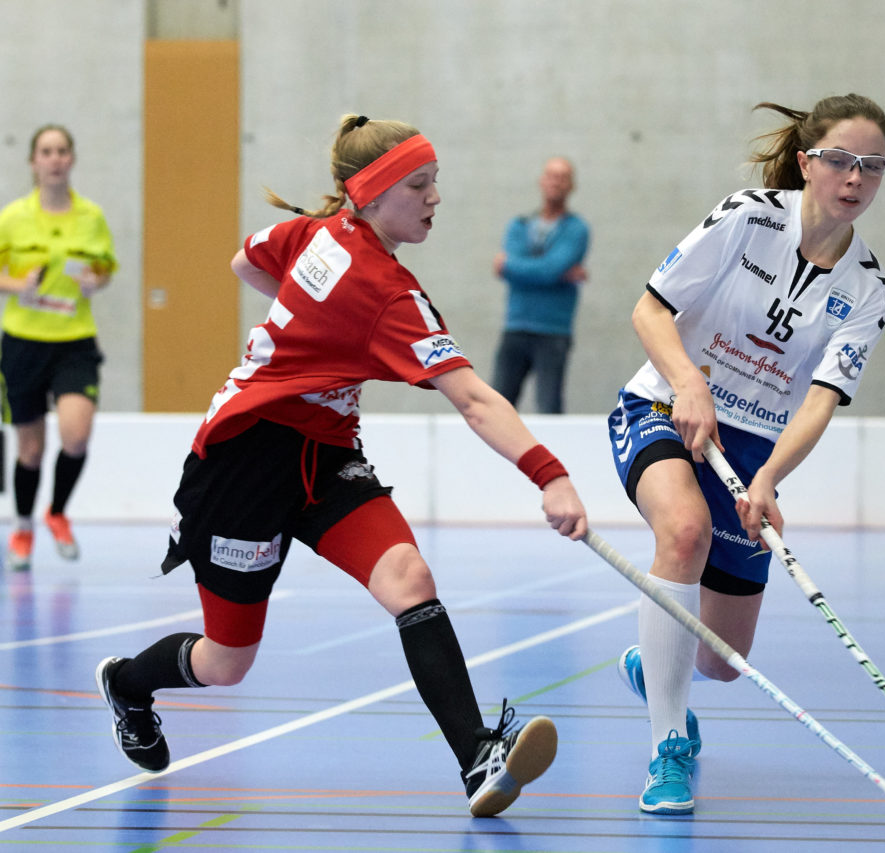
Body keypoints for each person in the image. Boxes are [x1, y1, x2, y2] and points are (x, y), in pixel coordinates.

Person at [93, 115, 588, 818]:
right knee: (226, 662)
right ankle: (129, 685)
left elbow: (246, 261)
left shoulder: (319, 233)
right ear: (373, 192)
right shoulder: (385, 293)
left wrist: (304, 335)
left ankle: (477, 755)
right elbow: (474, 398)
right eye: (419, 184)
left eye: (435, 181)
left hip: (324, 456)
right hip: (241, 464)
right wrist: (550, 473)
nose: (435, 197)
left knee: (408, 577)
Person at [607, 93, 885, 814]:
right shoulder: (748, 214)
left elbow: (820, 399)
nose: (854, 179)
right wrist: (686, 383)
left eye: (872, 166)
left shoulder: (870, 287)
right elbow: (650, 308)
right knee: (683, 532)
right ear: (806, 162)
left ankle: (660, 662)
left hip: (750, 449)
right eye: (839, 160)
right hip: (664, 409)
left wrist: (767, 478)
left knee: (723, 660)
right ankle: (668, 748)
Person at [0, 124, 115, 572]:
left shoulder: (91, 217)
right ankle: (24, 525)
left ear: (71, 159)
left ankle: (58, 512)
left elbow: (104, 270)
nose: (54, 159)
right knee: (29, 449)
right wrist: (15, 285)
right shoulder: (12, 217)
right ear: (33, 161)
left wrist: (94, 281)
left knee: (76, 435)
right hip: (24, 342)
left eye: (62, 151)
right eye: (46, 151)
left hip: (74, 343)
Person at [490, 156, 590, 414]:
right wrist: (556, 273)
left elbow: (547, 270)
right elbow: (550, 270)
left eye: (562, 177)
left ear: (571, 186)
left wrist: (513, 267)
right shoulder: (519, 225)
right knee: (497, 406)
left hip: (553, 331)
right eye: (551, 175)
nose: (555, 182)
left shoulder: (576, 229)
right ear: (541, 181)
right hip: (515, 326)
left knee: (549, 407)